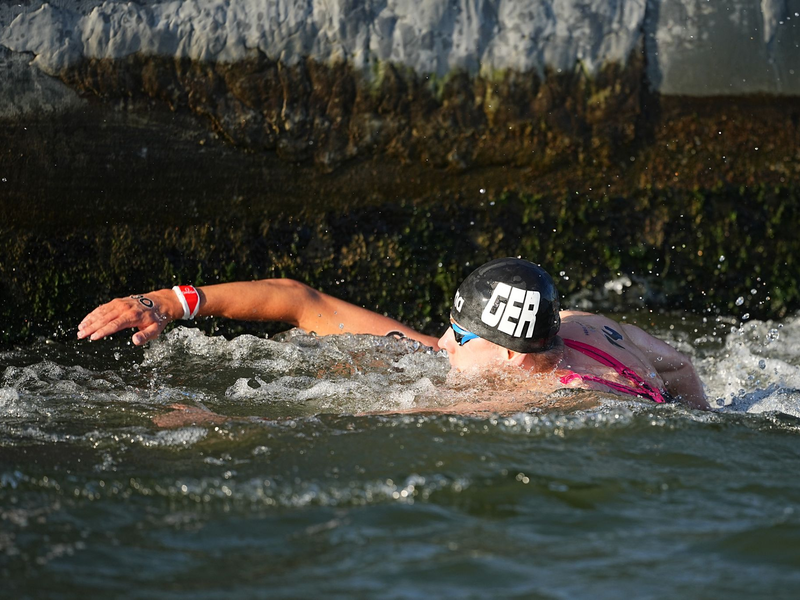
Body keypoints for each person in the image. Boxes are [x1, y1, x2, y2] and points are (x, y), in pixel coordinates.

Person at [77, 258, 710, 410]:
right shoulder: (585, 329)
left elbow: (347, 422)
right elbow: (301, 300)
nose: (443, 338)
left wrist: (222, 424)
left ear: (511, 358)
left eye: (459, 334)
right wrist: (162, 301)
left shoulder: (512, 402)